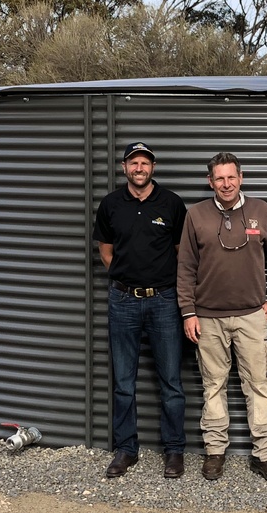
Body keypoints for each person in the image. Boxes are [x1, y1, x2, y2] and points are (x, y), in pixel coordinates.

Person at [176, 152, 267, 484]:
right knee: (213, 387)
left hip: (252, 318)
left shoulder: (261, 211)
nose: (226, 184)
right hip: (208, 319)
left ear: (240, 178)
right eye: (219, 178)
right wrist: (188, 312)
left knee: (258, 386)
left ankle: (265, 456)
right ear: (209, 181)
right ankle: (215, 453)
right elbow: (185, 269)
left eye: (231, 177)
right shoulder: (196, 215)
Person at [93, 142, 187, 479]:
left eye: (145, 163)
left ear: (153, 167)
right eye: (134, 163)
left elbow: (182, 252)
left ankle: (174, 450)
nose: (139, 168)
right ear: (124, 167)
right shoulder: (111, 205)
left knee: (171, 381)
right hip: (123, 302)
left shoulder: (172, 204)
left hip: (163, 301)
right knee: (123, 382)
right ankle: (126, 450)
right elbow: (105, 250)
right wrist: (124, 278)